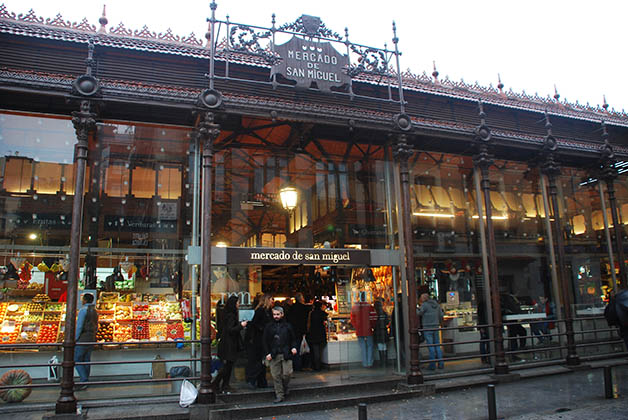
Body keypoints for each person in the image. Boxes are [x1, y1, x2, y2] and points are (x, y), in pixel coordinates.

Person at [263, 306, 298, 403]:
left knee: (287, 373)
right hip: (274, 353)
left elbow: (293, 339)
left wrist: (293, 347)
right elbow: (265, 341)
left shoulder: (288, 326)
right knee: (275, 375)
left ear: (282, 314)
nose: (276, 316)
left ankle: (283, 388)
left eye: (278, 314)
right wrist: (267, 353)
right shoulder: (269, 326)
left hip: (285, 353)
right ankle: (280, 394)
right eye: (274, 314)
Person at [213, 295, 248, 393]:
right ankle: (218, 384)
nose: (239, 305)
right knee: (227, 366)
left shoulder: (226, 314)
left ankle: (223, 385)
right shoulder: (231, 316)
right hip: (229, 344)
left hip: (226, 343)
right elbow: (231, 330)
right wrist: (241, 326)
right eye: (237, 303)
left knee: (227, 366)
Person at [245, 293, 273, 389]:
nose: (272, 301)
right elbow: (254, 323)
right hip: (259, 339)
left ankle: (261, 380)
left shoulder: (267, 311)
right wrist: (262, 329)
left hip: (263, 338)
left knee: (262, 360)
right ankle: (254, 379)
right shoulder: (261, 311)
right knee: (259, 360)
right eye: (271, 299)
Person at [75, 292, 98, 390]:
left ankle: (84, 380)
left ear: (84, 300)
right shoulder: (95, 311)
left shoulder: (83, 311)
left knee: (77, 359)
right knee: (86, 360)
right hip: (91, 338)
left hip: (83, 338)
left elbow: (79, 326)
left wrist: (75, 338)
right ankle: (85, 379)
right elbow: (96, 325)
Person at [417, 292, 444, 370]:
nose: (420, 299)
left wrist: (415, 309)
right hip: (436, 326)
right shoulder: (437, 305)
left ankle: (432, 364)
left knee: (431, 346)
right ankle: (441, 363)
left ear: (424, 298)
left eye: (421, 298)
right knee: (437, 345)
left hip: (427, 327)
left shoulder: (424, 305)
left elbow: (419, 313)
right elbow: (441, 315)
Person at [350, 291, 376, 368]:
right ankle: (369, 363)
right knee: (370, 346)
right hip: (368, 330)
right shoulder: (369, 306)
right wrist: (372, 326)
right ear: (365, 297)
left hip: (359, 330)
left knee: (363, 347)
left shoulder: (354, 307)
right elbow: (373, 318)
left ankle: (365, 363)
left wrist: (356, 327)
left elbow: (352, 319)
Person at [287, 292, 311, 371]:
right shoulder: (304, 308)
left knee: (295, 348)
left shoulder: (292, 308)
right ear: (300, 298)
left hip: (293, 331)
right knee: (302, 349)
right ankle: (301, 365)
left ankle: (296, 365)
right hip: (301, 331)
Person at [306, 300, 328, 371]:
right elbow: (326, 321)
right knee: (320, 351)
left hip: (313, 333)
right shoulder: (323, 313)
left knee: (315, 351)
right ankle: (319, 365)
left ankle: (316, 366)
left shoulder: (311, 313)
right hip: (321, 333)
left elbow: (309, 324)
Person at [373, 298, 390, 368]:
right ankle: (385, 362)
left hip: (378, 332)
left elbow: (373, 324)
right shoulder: (384, 313)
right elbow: (387, 322)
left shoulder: (375, 314)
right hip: (384, 331)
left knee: (380, 347)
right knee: (384, 347)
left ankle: (382, 362)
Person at [390, 293, 405, 368]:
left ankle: (402, 362)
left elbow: (393, 320)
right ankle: (406, 362)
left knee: (399, 347)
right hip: (405, 330)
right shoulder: (406, 306)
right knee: (405, 347)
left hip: (398, 330)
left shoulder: (397, 308)